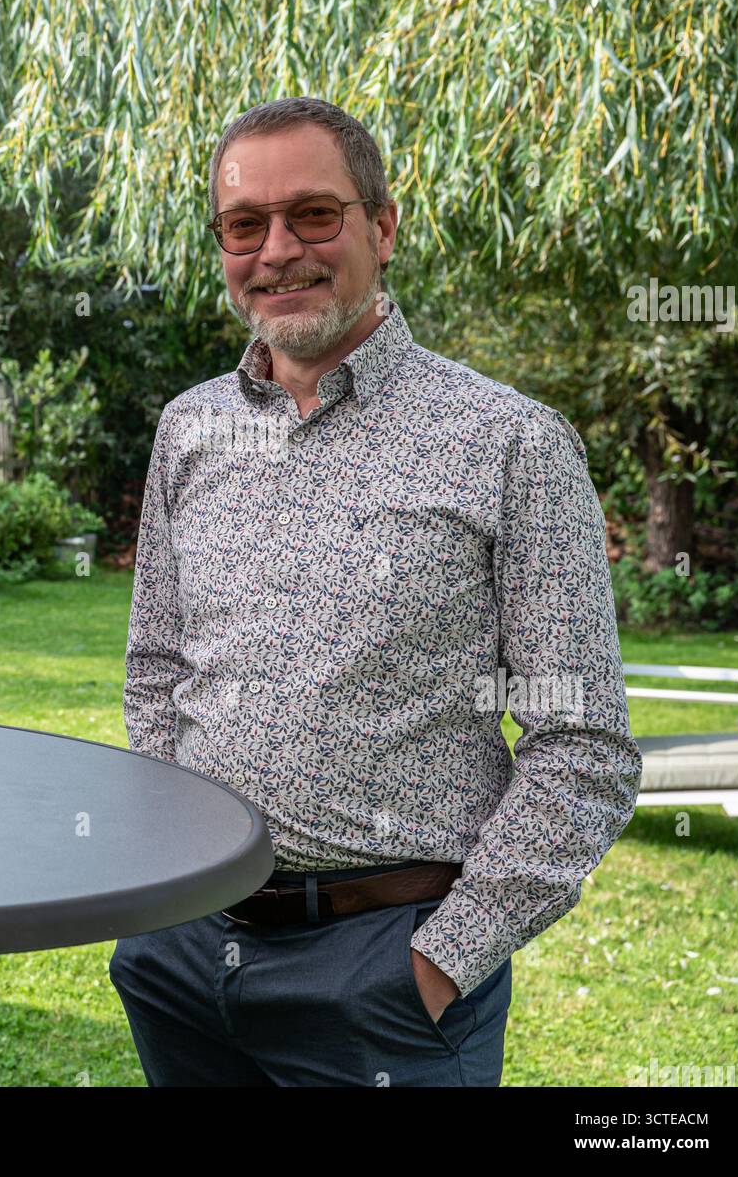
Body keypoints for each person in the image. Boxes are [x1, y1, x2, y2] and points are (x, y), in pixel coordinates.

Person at [109, 96, 643, 1086]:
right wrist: (169, 888)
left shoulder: (508, 443)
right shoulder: (190, 429)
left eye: (313, 214)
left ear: (381, 226)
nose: (276, 251)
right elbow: (157, 671)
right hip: (182, 956)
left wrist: (438, 962)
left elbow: (582, 743)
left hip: (385, 975)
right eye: (243, 225)